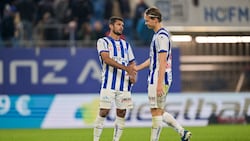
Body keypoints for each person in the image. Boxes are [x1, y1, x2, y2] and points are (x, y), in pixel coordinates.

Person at [134, 7, 192, 141]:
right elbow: (153, 59)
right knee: (158, 111)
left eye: (147, 20)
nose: (146, 23)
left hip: (159, 78)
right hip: (158, 77)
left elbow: (162, 61)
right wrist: (138, 68)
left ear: (155, 19)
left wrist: (159, 83)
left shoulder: (161, 36)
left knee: (156, 112)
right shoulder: (159, 35)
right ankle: (182, 132)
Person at [93, 16, 137, 141]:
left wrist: (133, 75)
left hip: (124, 85)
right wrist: (125, 68)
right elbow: (106, 59)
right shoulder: (103, 41)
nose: (121, 27)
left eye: (122, 25)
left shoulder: (126, 45)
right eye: (118, 24)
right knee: (104, 111)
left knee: (122, 113)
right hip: (108, 83)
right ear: (111, 26)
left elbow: (132, 63)